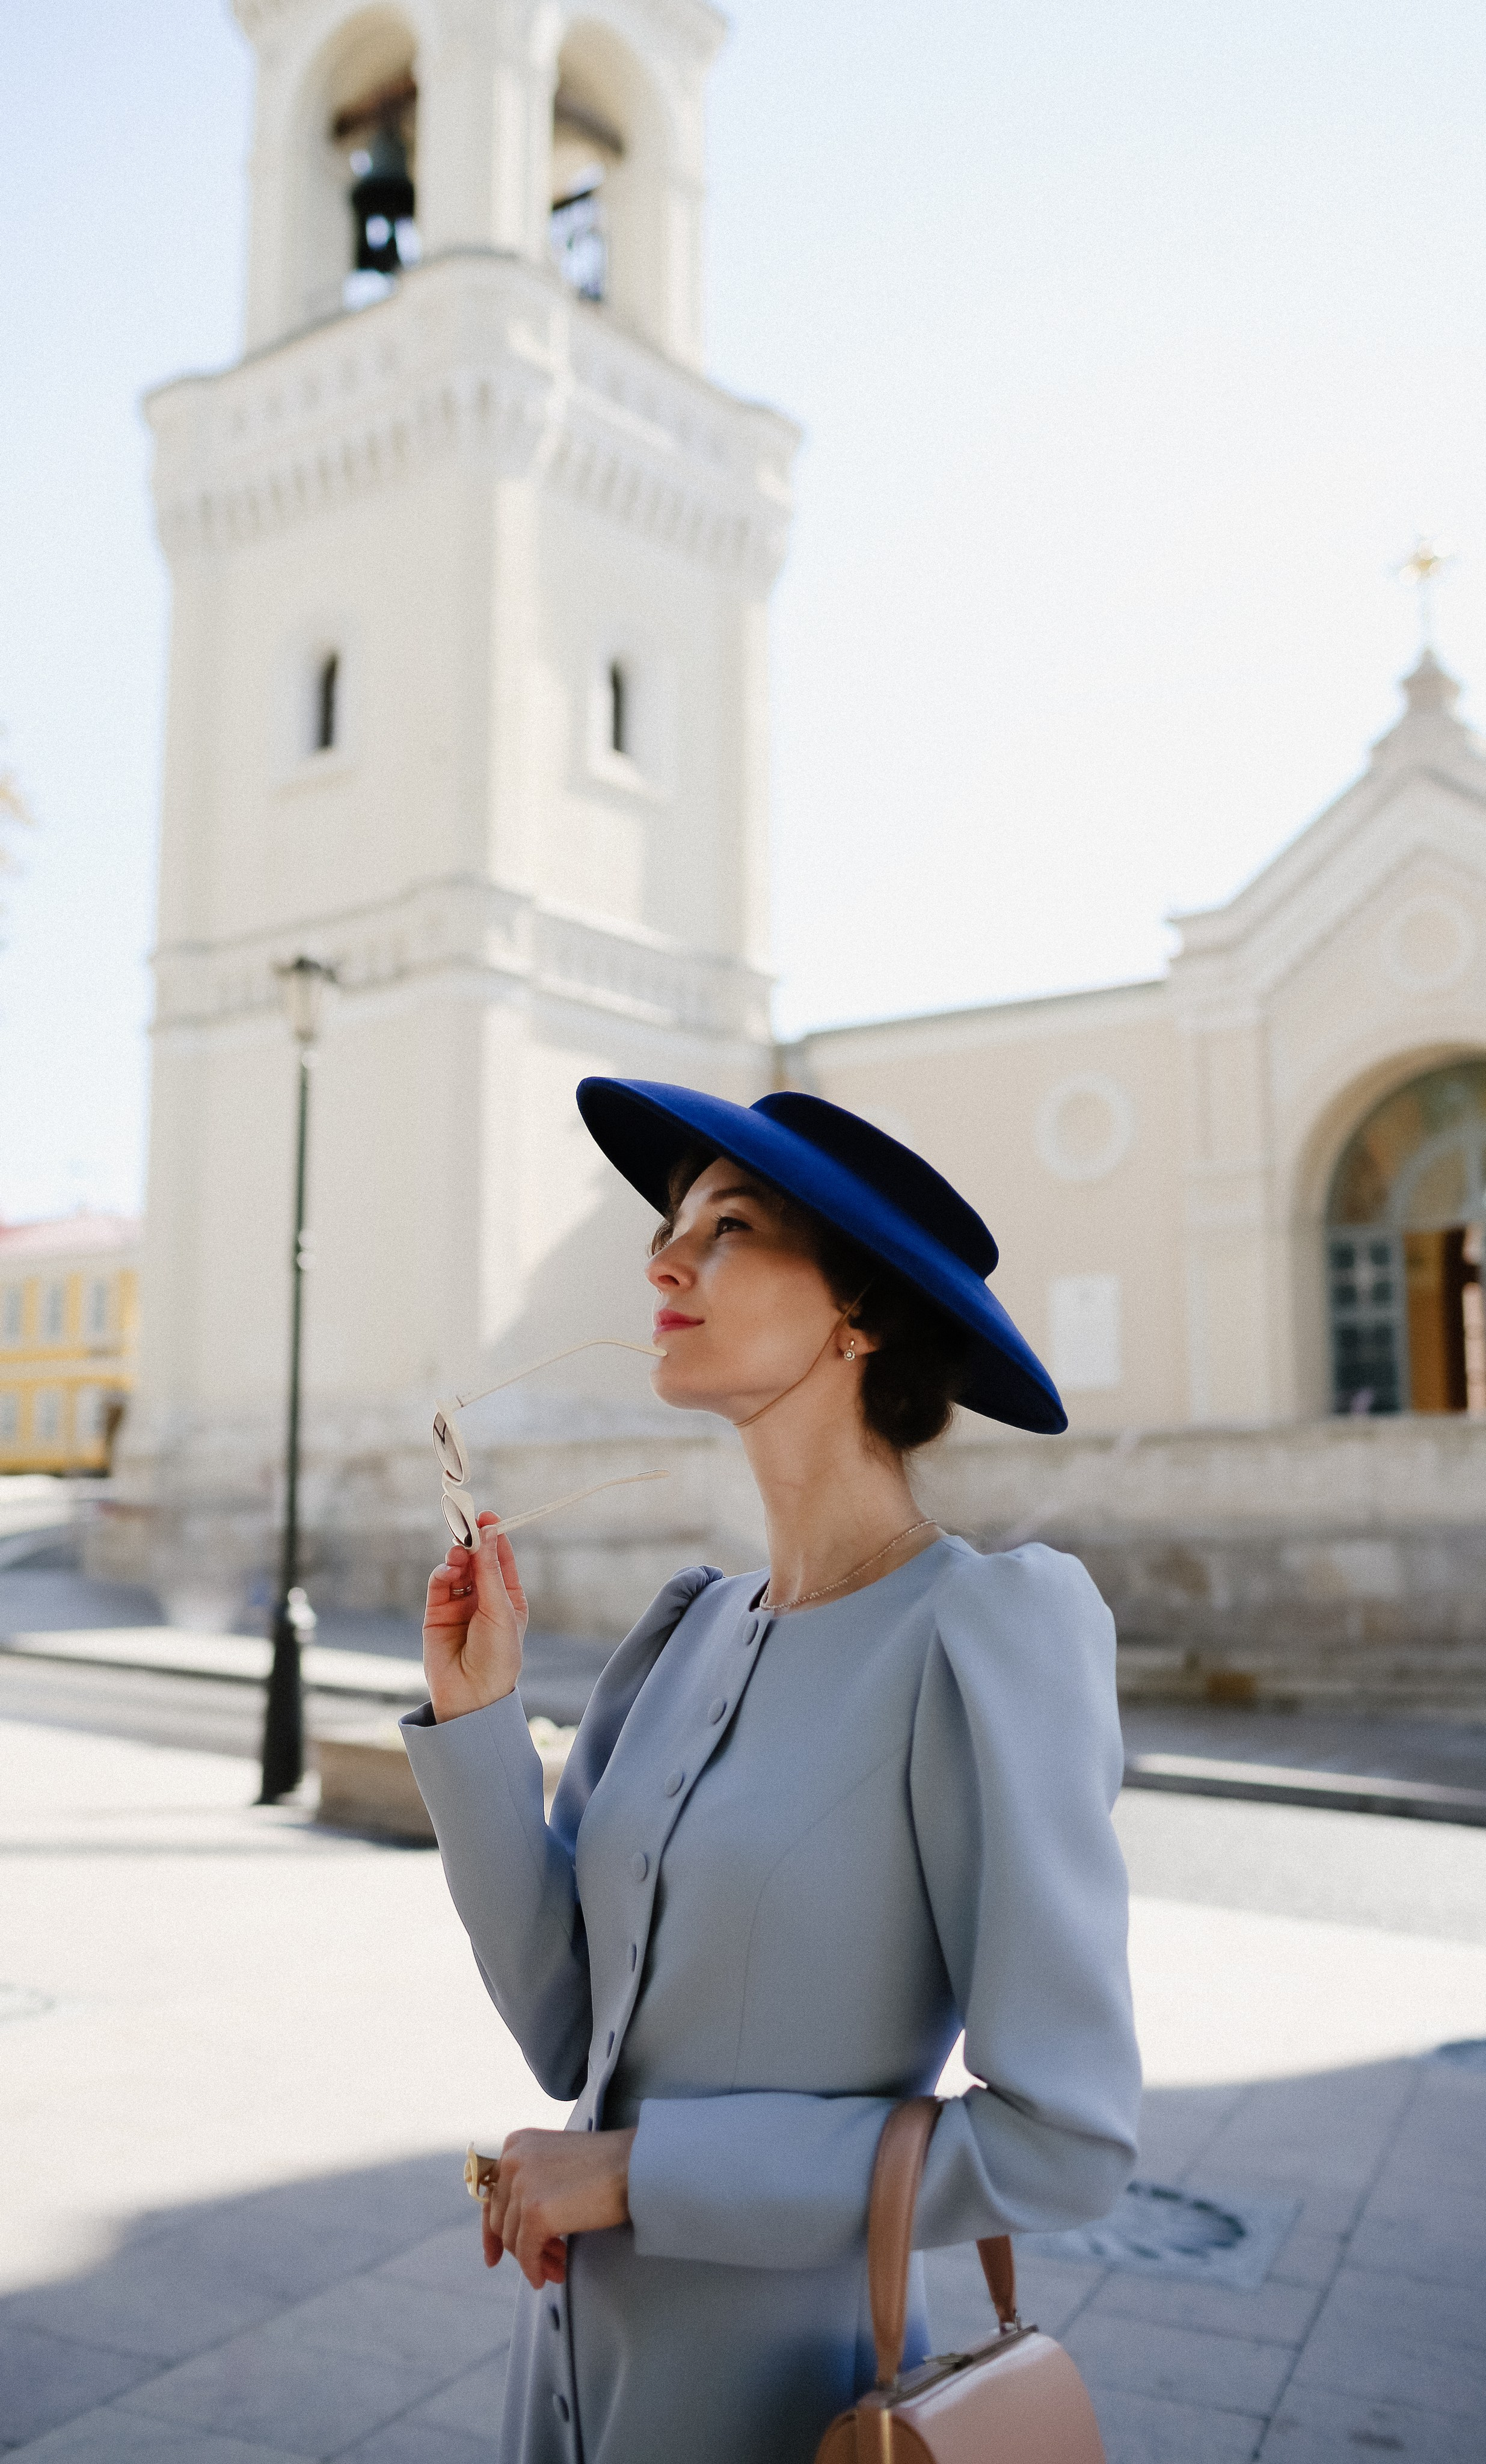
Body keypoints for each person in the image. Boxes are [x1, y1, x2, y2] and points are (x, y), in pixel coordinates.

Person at [403, 1079, 1141, 2464]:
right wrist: (481, 1716)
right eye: (673, 1226)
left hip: (790, 2397)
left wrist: (631, 2173)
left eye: (728, 1227)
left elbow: (1069, 2143)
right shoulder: (689, 1628)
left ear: (859, 1310)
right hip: (566, 2377)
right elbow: (570, 2028)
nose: (662, 1260)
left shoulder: (982, 1632)